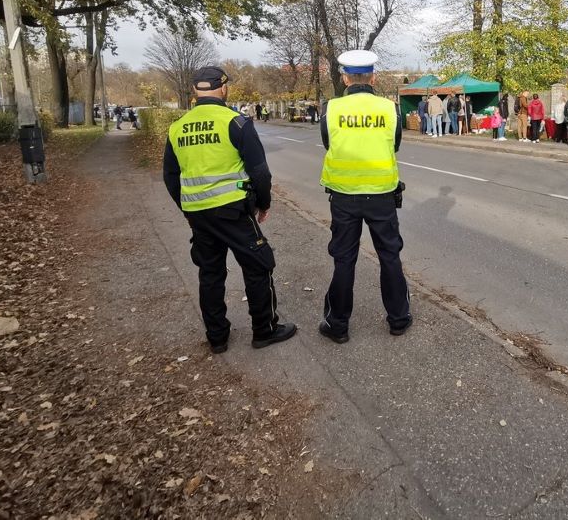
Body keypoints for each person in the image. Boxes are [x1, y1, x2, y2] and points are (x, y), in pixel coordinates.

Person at [162, 66, 296, 353]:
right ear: (223, 89)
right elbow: (260, 172)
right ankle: (264, 330)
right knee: (258, 264)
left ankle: (217, 338)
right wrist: (264, 203)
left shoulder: (178, 126)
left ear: (196, 92)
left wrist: (187, 208)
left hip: (199, 214)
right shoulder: (236, 123)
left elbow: (170, 176)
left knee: (210, 273)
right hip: (233, 211)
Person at [319, 50, 412, 343]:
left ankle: (338, 326)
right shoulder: (390, 108)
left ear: (345, 78)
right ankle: (398, 320)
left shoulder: (330, 108)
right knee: (390, 257)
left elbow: (327, 143)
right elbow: (394, 146)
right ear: (373, 77)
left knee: (344, 260)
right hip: (382, 195)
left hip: (344, 196)